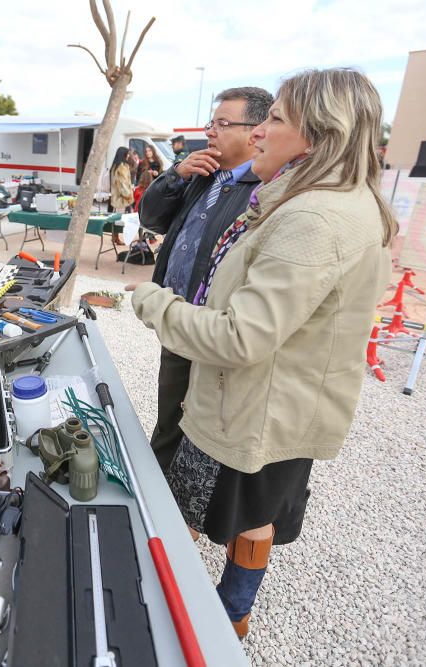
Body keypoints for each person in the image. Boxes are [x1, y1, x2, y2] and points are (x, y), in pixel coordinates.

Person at [128, 68, 396, 639]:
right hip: (275, 399)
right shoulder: (320, 199)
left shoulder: (313, 217)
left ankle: (207, 618)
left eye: (274, 119)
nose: (258, 134)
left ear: (320, 135)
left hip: (254, 406)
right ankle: (230, 614)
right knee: (255, 515)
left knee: (232, 514)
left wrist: (153, 304)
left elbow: (242, 336)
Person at [138, 87, 273, 472]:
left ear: (255, 132)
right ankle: (159, 492)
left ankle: (182, 510)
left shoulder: (263, 191)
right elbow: (151, 219)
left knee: (200, 427)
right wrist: (175, 177)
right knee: (169, 416)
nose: (209, 132)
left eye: (222, 124)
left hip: (211, 330)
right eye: (210, 123)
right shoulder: (200, 173)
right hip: (175, 319)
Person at [109, 146, 134, 244]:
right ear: (124, 155)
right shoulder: (122, 167)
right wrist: (128, 195)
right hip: (122, 198)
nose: (128, 156)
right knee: (120, 219)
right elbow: (123, 184)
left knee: (116, 217)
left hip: (116, 197)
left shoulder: (115, 166)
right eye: (127, 154)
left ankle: (115, 237)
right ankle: (116, 238)